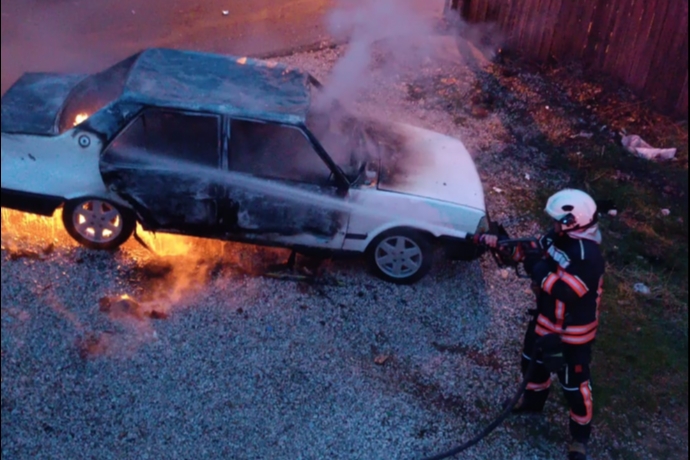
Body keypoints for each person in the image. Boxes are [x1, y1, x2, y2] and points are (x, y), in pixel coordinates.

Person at [481, 189, 605, 460]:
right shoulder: (556, 237)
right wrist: (503, 245)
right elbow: (531, 251)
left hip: (572, 336)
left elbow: (566, 290)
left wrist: (536, 266)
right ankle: (533, 403)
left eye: (557, 220)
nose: (552, 225)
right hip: (544, 321)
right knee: (532, 365)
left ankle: (579, 438)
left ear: (572, 221)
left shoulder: (587, 256)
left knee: (575, 387)